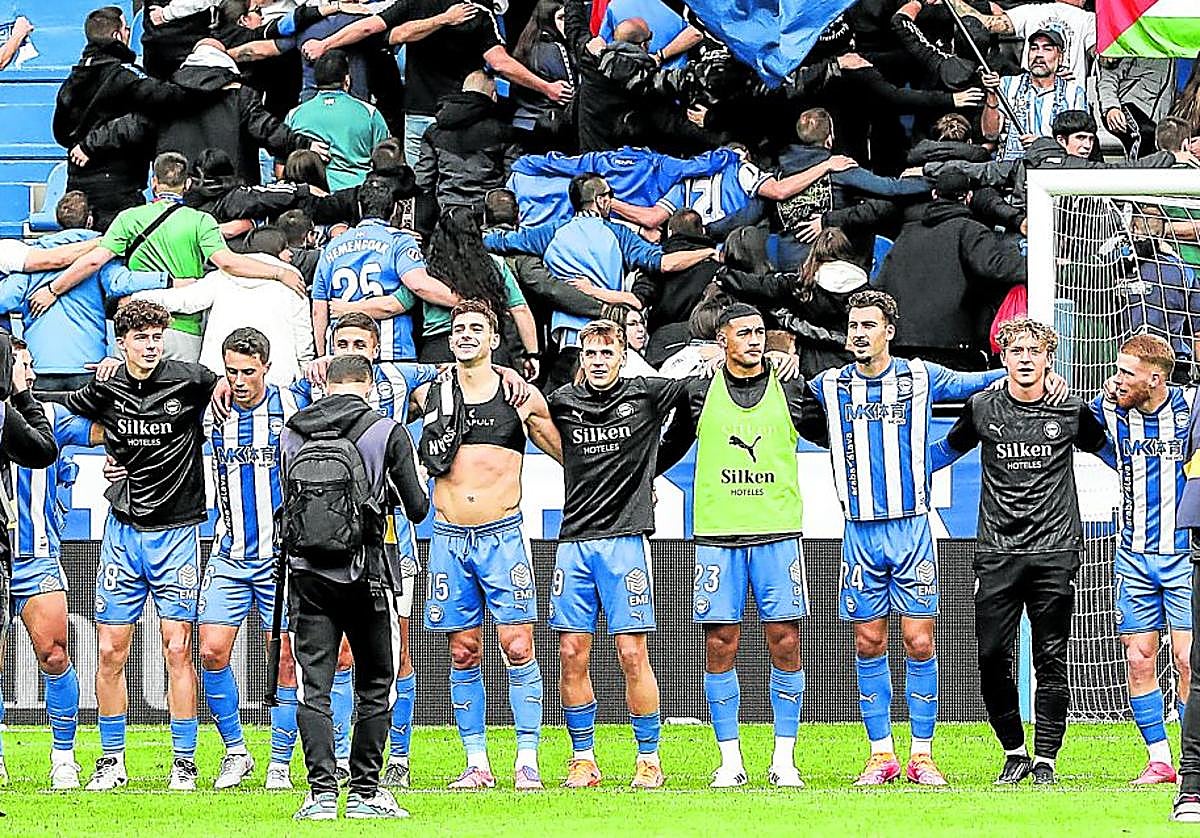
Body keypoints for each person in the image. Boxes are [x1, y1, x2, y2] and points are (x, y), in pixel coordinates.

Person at [808, 290, 1006, 786]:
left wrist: (1024, 366)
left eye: (868, 325)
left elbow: (978, 384)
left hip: (913, 529)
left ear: (888, 331)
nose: (858, 333)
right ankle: (881, 755)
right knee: (868, 641)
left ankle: (922, 753)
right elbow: (770, 382)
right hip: (858, 533)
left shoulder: (920, 376)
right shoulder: (829, 384)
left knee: (919, 641)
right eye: (852, 325)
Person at [48, 300, 220, 792]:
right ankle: (112, 760)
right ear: (121, 343)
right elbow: (62, 418)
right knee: (108, 650)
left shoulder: (192, 380)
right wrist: (104, 446)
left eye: (156, 336)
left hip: (177, 532)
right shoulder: (105, 387)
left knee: (178, 647)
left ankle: (184, 762)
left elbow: (231, 385)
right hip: (122, 533)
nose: (151, 346)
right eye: (141, 338)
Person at [931, 318, 1107, 785]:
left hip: (1054, 549)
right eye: (1016, 351)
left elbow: (1113, 453)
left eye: (1035, 351)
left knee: (1051, 657)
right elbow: (941, 453)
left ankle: (1046, 759)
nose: (1026, 359)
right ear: (1003, 359)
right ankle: (1013, 750)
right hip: (997, 550)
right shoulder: (982, 406)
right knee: (990, 655)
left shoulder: (1071, 409)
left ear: (1049, 358)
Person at [658, 304, 827, 788]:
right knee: (720, 644)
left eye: (759, 332)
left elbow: (833, 429)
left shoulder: (791, 386)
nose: (755, 340)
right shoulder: (697, 391)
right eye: (744, 333)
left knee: (786, 641)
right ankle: (730, 760)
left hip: (777, 533)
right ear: (722, 342)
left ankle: (784, 759)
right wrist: (639, 478)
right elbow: (669, 446)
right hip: (717, 534)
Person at [416, 300, 562, 790]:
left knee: (518, 644)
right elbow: (365, 379)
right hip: (448, 537)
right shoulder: (429, 392)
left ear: (494, 339)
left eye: (476, 328)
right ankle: (476, 762)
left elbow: (567, 452)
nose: (465, 335)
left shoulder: (520, 397)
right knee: (463, 651)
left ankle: (527, 759)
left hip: (501, 536)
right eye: (458, 329)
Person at [283, 353, 429, 820]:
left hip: (306, 573)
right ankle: (367, 792)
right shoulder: (386, 431)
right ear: (369, 385)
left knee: (313, 687)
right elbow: (417, 507)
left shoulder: (291, 431)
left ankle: (321, 793)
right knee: (376, 683)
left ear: (325, 384)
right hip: (369, 571)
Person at [548, 319, 688, 789]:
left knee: (632, 653)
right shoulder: (564, 403)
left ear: (622, 356)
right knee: (572, 653)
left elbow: (694, 396)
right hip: (573, 542)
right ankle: (583, 758)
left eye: (608, 354)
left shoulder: (647, 393)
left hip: (625, 542)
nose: (600, 362)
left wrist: (655, 463)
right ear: (581, 360)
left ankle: (649, 758)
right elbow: (527, 412)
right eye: (591, 354)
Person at [31, 152, 307, 362]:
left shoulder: (129, 218)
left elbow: (93, 261)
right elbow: (228, 262)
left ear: (154, 182)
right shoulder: (201, 221)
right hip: (184, 328)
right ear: (187, 184)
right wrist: (279, 272)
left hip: (136, 327)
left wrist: (53, 290)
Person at [483, 173, 715, 388]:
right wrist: (709, 252)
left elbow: (499, 241)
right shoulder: (620, 234)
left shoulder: (550, 232)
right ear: (602, 200)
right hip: (610, 335)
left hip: (568, 337)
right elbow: (666, 263)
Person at [195, 328, 302, 790]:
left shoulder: (291, 408)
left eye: (247, 372)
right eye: (230, 371)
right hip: (229, 552)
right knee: (210, 651)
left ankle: (279, 761)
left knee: (284, 659)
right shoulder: (211, 411)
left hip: (282, 559)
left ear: (267, 368)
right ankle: (236, 752)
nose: (238, 381)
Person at [1090, 335, 1192, 785]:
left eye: (1127, 372)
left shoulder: (1191, 410)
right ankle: (1159, 759)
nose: (1117, 379)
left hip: (1186, 553)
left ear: (1155, 378)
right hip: (1132, 555)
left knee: (1189, 659)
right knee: (1138, 657)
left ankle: (1193, 756)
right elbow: (1071, 417)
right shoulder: (1111, 409)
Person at [301, 0, 571, 165]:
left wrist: (325, 43)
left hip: (422, 113)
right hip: (459, 117)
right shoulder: (475, 12)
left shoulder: (420, 5)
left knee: (421, 186)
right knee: (460, 184)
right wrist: (547, 87)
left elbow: (373, 28)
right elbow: (500, 63)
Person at [0, 340, 92, 788]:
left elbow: (110, 428)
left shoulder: (51, 418)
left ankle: (63, 757)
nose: (28, 372)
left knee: (54, 654)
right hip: (2, 550)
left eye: (31, 364)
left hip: (36, 555)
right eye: (19, 364)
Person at [0, 192, 170, 393]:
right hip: (88, 365)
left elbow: (6, 298)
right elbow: (120, 282)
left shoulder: (35, 258)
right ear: (89, 220)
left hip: (40, 364)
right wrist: (166, 279)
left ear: (57, 220)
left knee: (41, 422)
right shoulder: (103, 253)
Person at [52, 6, 195, 228]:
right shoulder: (125, 76)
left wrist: (86, 142)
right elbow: (169, 100)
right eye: (127, 29)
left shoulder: (73, 79)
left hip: (78, 184)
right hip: (118, 186)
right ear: (118, 36)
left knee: (82, 252)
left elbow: (61, 134)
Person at [876, 168, 1026, 371]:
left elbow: (881, 283)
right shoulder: (971, 230)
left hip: (901, 345)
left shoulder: (907, 233)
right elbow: (995, 267)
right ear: (969, 197)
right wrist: (1046, 264)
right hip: (953, 348)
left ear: (934, 195)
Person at [132, 226, 316, 387]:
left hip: (221, 375)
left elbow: (183, 300)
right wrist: (304, 368)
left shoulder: (221, 276)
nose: (291, 254)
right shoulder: (292, 278)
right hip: (276, 374)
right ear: (278, 250)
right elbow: (302, 333)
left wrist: (137, 297)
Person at [312, 177, 458, 363]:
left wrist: (323, 356)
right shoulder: (399, 241)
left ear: (359, 207)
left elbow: (319, 309)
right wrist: (462, 300)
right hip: (392, 351)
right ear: (395, 210)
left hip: (342, 352)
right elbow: (419, 285)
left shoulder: (332, 246)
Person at [415, 71, 519, 214]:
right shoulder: (504, 132)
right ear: (494, 96)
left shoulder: (434, 131)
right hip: (488, 213)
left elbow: (423, 180)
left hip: (446, 212)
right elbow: (512, 180)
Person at [285, 51, 390, 191]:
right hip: (356, 196)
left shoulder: (294, 115)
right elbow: (386, 160)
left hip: (310, 197)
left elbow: (282, 165)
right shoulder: (370, 113)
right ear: (347, 80)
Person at [981, 29, 1087, 163]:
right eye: (1034, 48)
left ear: (1060, 57)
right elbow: (990, 134)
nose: (1039, 54)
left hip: (1055, 170)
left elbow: (1080, 143)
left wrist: (1042, 145)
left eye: (1047, 49)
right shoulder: (1006, 85)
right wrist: (991, 94)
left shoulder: (1074, 93)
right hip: (1011, 169)